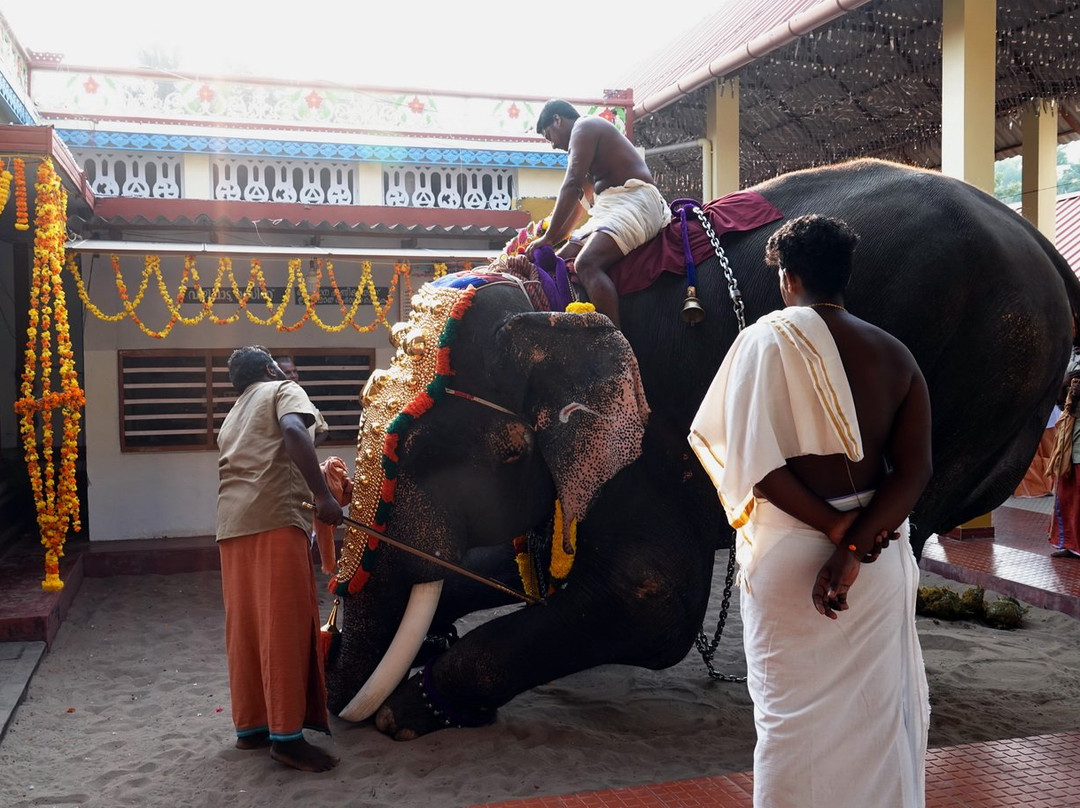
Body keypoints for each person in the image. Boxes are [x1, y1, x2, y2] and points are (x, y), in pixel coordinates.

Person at [688, 215, 933, 807]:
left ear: (787, 277)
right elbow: (916, 471)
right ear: (844, 276)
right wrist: (852, 549)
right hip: (876, 557)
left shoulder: (764, 339)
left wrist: (832, 530)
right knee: (874, 721)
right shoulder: (894, 354)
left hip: (793, 554)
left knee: (790, 725)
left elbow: (756, 463)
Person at [216, 345, 343, 772]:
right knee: (285, 625)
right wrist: (324, 495)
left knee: (247, 628)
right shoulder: (283, 390)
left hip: (232, 526)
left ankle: (251, 728)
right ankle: (287, 739)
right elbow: (294, 431)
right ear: (271, 369)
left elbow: (297, 440)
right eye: (284, 367)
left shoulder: (234, 412)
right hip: (273, 520)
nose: (292, 372)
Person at [527, 99, 668, 328]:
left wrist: (549, 237)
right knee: (560, 260)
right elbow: (579, 205)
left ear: (557, 120)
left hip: (637, 200)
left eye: (548, 136)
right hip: (610, 208)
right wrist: (553, 241)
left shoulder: (585, 126)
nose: (552, 145)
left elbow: (571, 184)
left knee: (587, 263)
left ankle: (614, 343)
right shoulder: (587, 145)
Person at [1048, 359, 1080, 559]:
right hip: (1070, 441)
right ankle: (1069, 543)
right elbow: (1060, 403)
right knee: (1067, 496)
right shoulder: (1071, 362)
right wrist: (1064, 384)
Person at [276, 355, 330, 446]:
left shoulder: (306, 403)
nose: (293, 376)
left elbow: (323, 431)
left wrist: (310, 449)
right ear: (276, 375)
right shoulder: (273, 401)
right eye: (287, 373)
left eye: (295, 371)